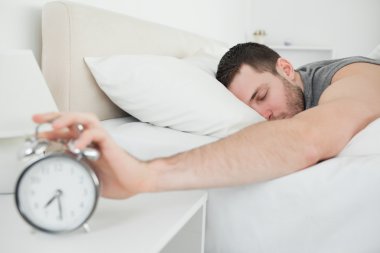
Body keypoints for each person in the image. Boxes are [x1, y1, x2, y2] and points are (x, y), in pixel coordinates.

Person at [33, 42, 380, 199]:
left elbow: (306, 138)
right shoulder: (287, 91)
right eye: (251, 108)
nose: (264, 116)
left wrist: (146, 174)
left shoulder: (352, 77)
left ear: (286, 69)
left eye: (261, 96)